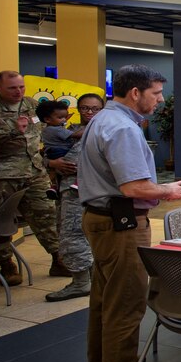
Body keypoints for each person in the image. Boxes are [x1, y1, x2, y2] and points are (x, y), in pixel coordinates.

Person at [79, 64, 181, 362]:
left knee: (104, 300)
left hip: (101, 219)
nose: (160, 100)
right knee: (126, 304)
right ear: (135, 93)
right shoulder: (123, 128)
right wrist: (167, 189)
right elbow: (135, 186)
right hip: (121, 224)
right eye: (155, 94)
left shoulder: (101, 120)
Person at [0, 70, 63, 284]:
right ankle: (6, 264)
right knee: (0, 222)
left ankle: (58, 259)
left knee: (47, 215)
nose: (18, 91)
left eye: (21, 87)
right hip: (0, 177)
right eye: (12, 88)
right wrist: (12, 131)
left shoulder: (31, 104)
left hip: (34, 172)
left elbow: (38, 135)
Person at [46, 93, 104, 302]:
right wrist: (53, 164)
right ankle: (85, 279)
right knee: (67, 232)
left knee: (74, 235)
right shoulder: (65, 132)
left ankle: (81, 283)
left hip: (84, 191)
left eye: (95, 109)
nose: (90, 112)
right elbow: (42, 153)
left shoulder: (102, 132)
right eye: (85, 108)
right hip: (65, 191)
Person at [37, 99, 82, 199]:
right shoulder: (56, 129)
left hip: (51, 153)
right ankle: (78, 182)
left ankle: (53, 187)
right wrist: (92, 127)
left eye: (65, 117)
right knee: (81, 165)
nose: (64, 120)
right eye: (60, 117)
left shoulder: (47, 130)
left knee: (54, 173)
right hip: (61, 152)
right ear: (47, 119)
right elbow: (76, 135)